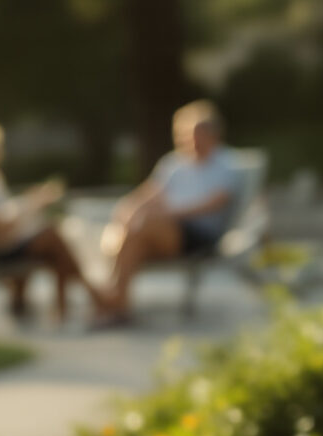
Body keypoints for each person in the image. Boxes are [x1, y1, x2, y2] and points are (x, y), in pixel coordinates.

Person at [0, 115, 104, 325]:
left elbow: (2, 215)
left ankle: (57, 306)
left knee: (54, 243)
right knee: (53, 239)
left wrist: (28, 206)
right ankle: (91, 297)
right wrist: (31, 203)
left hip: (5, 242)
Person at [96, 100, 242, 327]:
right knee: (132, 232)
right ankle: (119, 304)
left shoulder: (225, 163)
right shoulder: (173, 164)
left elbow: (216, 203)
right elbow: (148, 194)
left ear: (211, 134)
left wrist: (169, 214)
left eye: (197, 134)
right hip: (161, 229)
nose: (191, 140)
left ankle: (111, 299)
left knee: (141, 227)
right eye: (186, 134)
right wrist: (128, 210)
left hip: (199, 234)